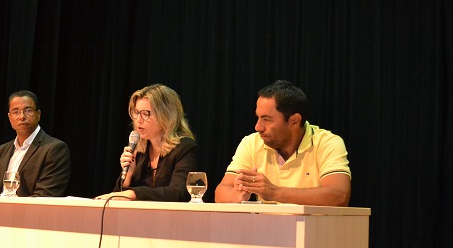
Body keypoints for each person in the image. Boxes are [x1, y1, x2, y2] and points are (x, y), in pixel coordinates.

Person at [214, 80, 351, 206]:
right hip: (266, 230)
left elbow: (339, 195)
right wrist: (237, 195)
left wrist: (274, 192)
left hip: (314, 230)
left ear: (294, 120)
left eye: (266, 119)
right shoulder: (252, 142)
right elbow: (221, 192)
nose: (258, 127)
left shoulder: (327, 143)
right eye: (258, 118)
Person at [96, 84, 198, 202]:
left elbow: (179, 193)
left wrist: (134, 193)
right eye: (136, 112)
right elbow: (117, 199)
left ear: (166, 116)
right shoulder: (138, 149)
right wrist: (128, 176)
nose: (138, 120)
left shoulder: (185, 148)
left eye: (145, 113)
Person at [0, 90, 71, 197]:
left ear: (38, 114)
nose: (21, 117)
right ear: (9, 117)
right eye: (15, 112)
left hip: (32, 213)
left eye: (28, 110)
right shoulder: (2, 150)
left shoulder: (55, 149)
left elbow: (45, 196)